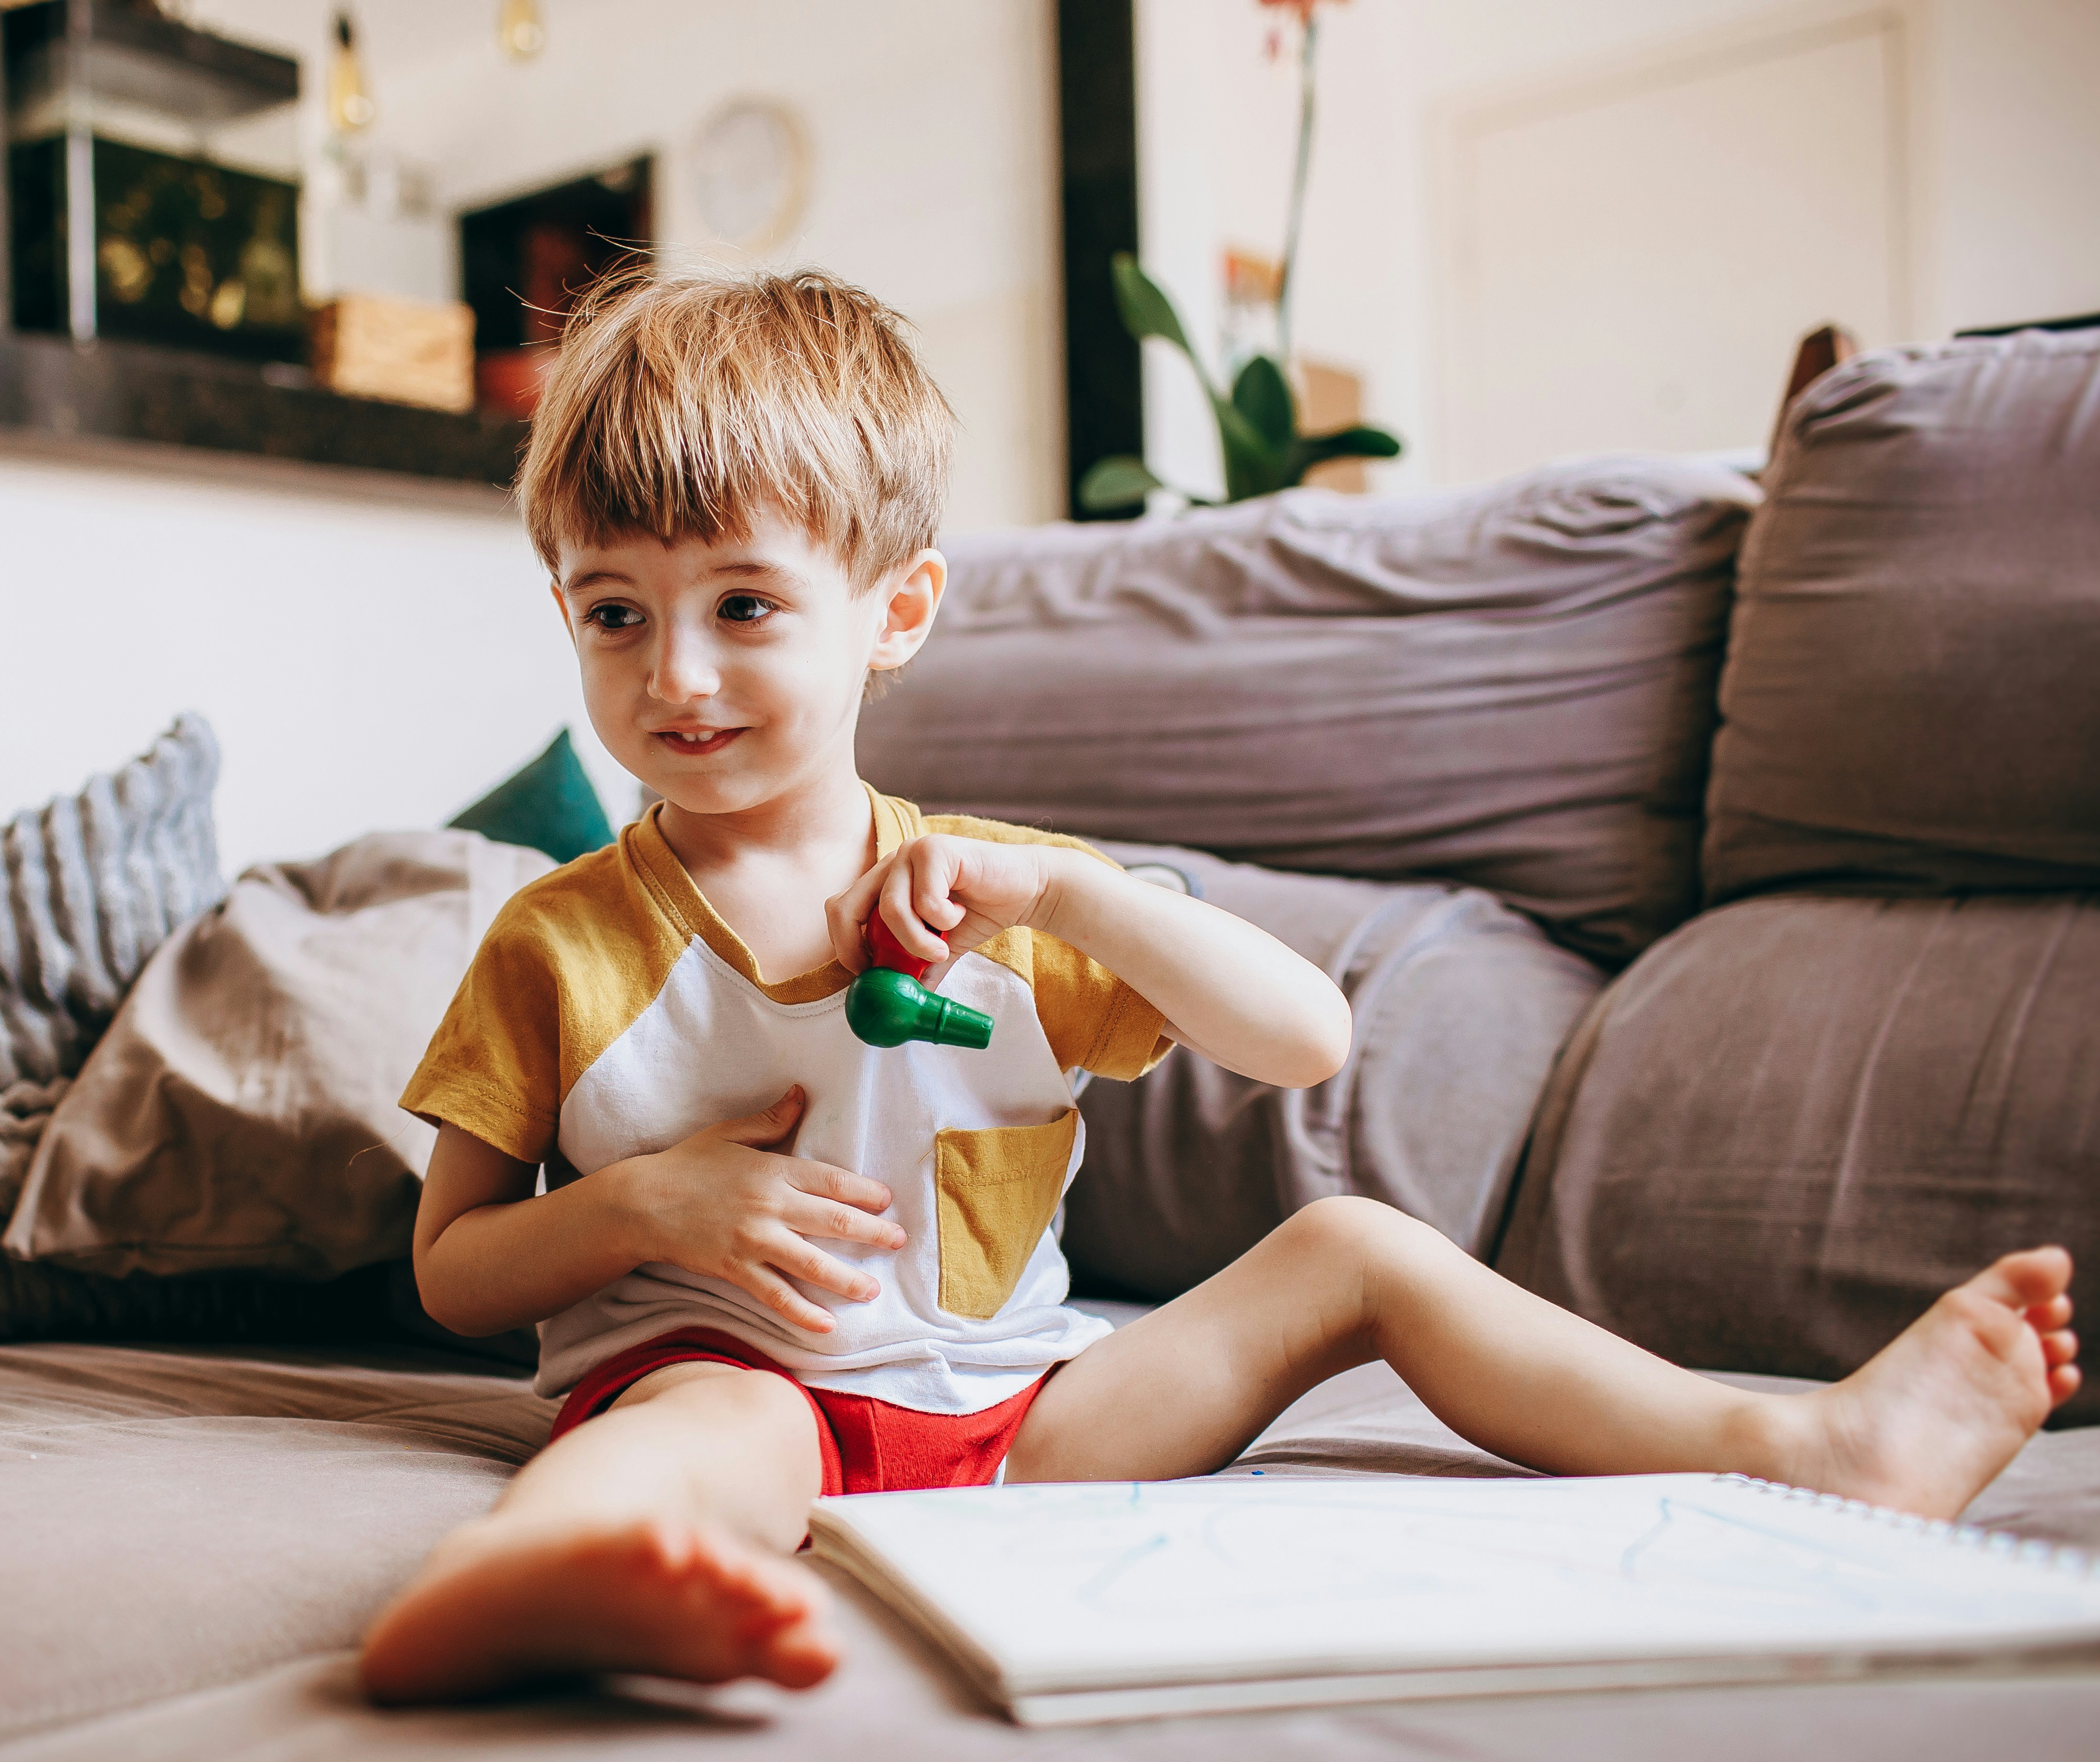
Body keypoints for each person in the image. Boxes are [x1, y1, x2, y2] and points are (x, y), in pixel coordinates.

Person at [356, 266, 2079, 1705]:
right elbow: (454, 1270)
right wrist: (652, 1205)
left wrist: (1067, 892)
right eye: (615, 614)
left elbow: (1307, 1037)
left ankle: (1801, 1454)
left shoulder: (1012, 894)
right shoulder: (556, 942)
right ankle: (521, 1579)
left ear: (898, 613)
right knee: (709, 1413)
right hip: (742, 1411)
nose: (680, 675)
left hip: (1031, 1423)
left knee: (1357, 1249)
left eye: (745, 605)